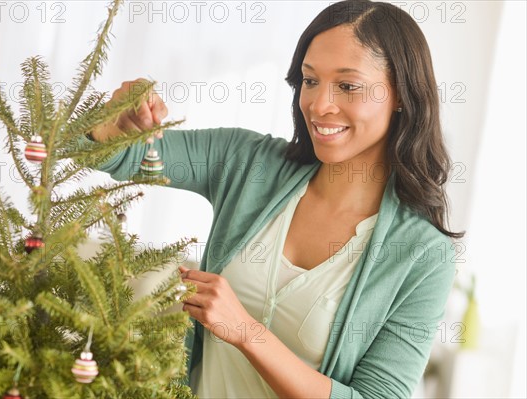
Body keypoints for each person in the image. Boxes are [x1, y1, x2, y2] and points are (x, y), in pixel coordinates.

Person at [89, 1, 464, 397]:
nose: (319, 105)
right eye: (310, 80)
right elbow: (119, 153)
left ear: (402, 94)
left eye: (348, 85)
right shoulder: (246, 162)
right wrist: (114, 120)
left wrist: (247, 332)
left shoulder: (423, 256)